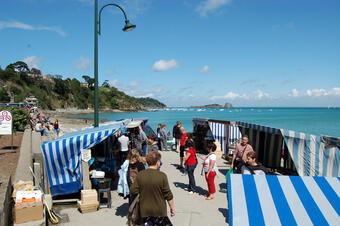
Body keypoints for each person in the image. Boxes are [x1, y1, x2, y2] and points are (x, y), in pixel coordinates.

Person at [130, 152, 175, 225]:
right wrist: (172, 208)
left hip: (145, 211)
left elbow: (133, 190)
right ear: (157, 162)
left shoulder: (140, 175)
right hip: (159, 211)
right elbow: (168, 194)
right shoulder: (162, 176)